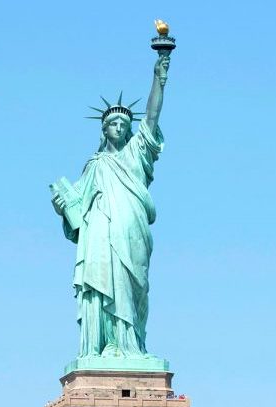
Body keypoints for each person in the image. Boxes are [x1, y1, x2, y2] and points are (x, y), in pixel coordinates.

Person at [53, 50, 171, 359]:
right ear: (103, 130)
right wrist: (61, 204)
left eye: (123, 123)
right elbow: (75, 205)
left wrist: (160, 77)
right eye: (112, 123)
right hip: (100, 237)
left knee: (133, 286)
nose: (118, 126)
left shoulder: (137, 154)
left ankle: (132, 345)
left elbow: (153, 116)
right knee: (103, 284)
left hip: (132, 230)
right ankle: (107, 344)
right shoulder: (95, 165)